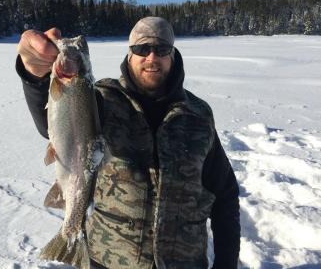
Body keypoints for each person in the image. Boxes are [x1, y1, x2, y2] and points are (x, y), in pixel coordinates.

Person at [16, 17, 240, 269]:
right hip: (109, 261)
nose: (152, 57)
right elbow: (59, 125)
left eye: (162, 49)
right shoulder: (102, 99)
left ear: (173, 56)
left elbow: (225, 195)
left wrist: (227, 263)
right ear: (130, 54)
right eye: (142, 49)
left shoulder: (198, 114)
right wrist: (35, 76)